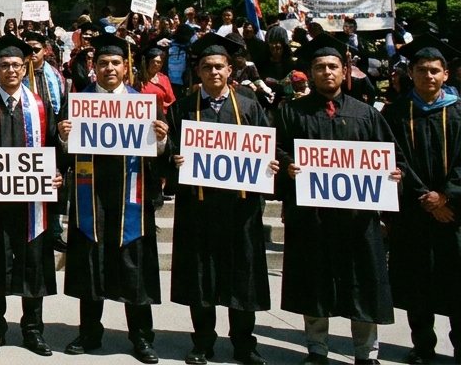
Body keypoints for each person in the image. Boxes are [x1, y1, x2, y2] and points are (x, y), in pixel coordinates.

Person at [276, 33, 400, 365]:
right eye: (320, 67)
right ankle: (317, 350)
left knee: (364, 281)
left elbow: (390, 157)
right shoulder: (292, 113)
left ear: (344, 71)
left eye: (333, 66)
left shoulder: (366, 114)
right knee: (314, 281)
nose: (327, 72)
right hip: (312, 215)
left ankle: (366, 353)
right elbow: (277, 149)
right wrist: (288, 166)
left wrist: (393, 174)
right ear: (311, 72)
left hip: (357, 217)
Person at [57, 32, 168, 364]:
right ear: (94, 66)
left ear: (126, 66)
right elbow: (63, 156)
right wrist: (63, 139)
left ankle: (141, 338)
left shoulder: (145, 103)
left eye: (115, 62)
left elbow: (160, 155)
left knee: (134, 265)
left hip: (130, 197)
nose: (109, 68)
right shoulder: (78, 101)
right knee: (91, 262)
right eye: (103, 62)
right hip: (91, 197)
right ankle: (90, 331)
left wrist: (161, 141)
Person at [165, 34, 274, 365]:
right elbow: (165, 152)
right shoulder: (183, 109)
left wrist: (271, 164)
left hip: (239, 211)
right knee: (201, 277)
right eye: (207, 67)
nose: (214, 72)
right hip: (198, 210)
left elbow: (266, 152)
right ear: (198, 71)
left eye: (219, 67)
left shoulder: (251, 108)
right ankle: (203, 342)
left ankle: (244, 343)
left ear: (230, 70)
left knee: (242, 276)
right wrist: (173, 158)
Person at [0, 36, 62, 356]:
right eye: (4, 65)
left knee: (32, 262)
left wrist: (57, 173)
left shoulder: (41, 106)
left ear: (25, 68)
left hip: (31, 203)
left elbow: (52, 149)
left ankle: (33, 330)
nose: (10, 70)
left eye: (16, 65)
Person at [381, 35, 461, 365]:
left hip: (454, 215)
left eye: (434, 71)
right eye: (421, 70)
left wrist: (447, 197)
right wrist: (423, 197)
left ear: (446, 74)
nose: (428, 76)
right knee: (418, 285)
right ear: (410, 73)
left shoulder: (458, 111)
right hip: (412, 215)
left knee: (458, 283)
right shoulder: (395, 113)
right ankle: (422, 346)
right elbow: (393, 159)